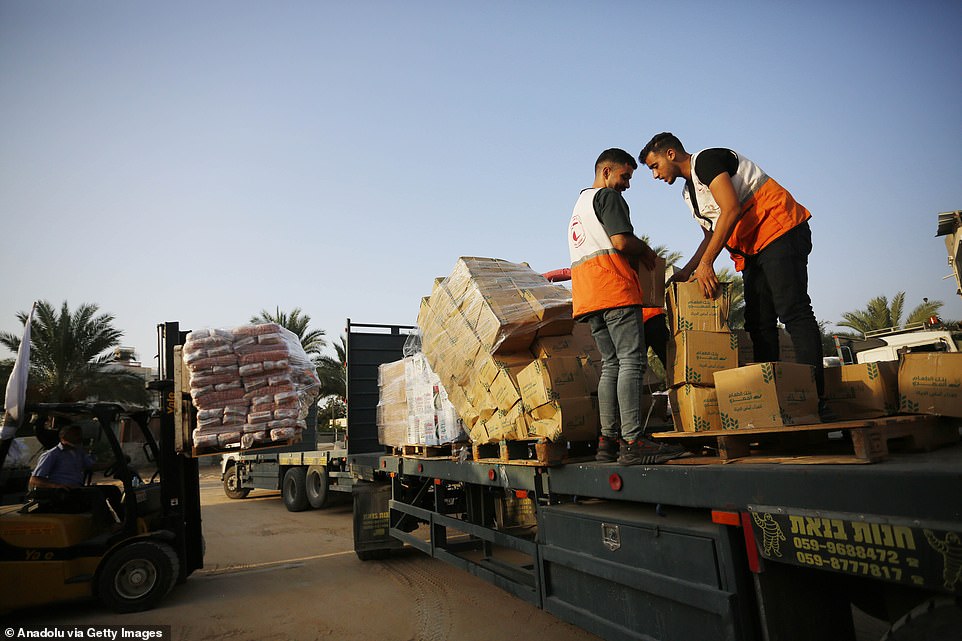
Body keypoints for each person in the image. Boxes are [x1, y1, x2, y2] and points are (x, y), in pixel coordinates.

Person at [638, 133, 827, 412]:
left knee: (793, 310)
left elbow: (731, 208)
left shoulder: (707, 160)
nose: (654, 176)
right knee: (758, 322)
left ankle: (816, 399)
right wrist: (686, 273)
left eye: (654, 167)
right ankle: (770, 402)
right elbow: (708, 237)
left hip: (779, 230)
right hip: (753, 250)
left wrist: (707, 264)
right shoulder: (689, 194)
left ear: (670, 154)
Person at [568, 148, 685, 465]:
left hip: (589, 298)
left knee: (611, 365)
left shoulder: (579, 207)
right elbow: (621, 241)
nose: (627, 185)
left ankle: (607, 442)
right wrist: (645, 251)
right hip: (615, 292)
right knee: (631, 363)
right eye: (625, 176)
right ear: (606, 172)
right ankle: (633, 442)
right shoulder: (607, 198)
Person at [29, 425, 96, 489]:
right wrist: (57, 486)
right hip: (61, 493)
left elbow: (91, 466)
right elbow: (34, 480)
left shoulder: (78, 453)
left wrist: (106, 464)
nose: (79, 438)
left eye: (79, 435)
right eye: (75, 435)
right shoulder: (52, 454)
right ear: (63, 438)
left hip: (77, 489)